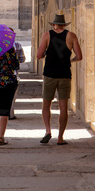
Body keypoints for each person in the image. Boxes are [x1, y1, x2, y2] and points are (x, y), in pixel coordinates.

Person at [37, 13, 82, 146]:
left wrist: (47, 53)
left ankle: (47, 131)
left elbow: (39, 55)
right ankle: (60, 137)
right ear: (64, 25)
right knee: (63, 107)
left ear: (53, 24)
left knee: (46, 104)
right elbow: (79, 56)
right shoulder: (71, 36)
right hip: (64, 75)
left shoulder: (47, 35)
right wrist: (70, 61)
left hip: (50, 75)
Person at [9, 39, 26, 120]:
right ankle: (10, 114)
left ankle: (0, 113)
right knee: (12, 95)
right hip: (13, 74)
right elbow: (22, 59)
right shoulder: (17, 45)